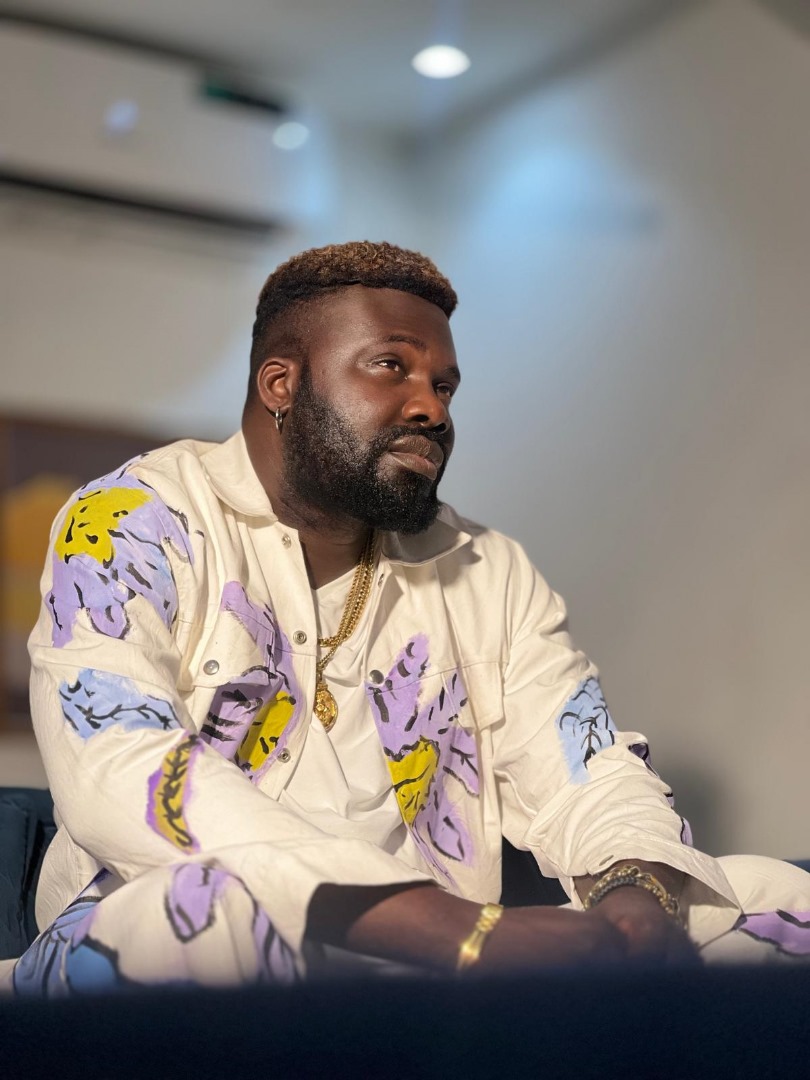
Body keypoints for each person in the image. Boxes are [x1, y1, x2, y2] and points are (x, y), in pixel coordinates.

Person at [12, 241, 810, 994]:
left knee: (778, 899)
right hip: (170, 928)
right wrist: (463, 932)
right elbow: (122, 765)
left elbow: (585, 769)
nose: (431, 407)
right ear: (281, 384)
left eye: (445, 386)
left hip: (437, 965)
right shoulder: (132, 520)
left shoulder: (487, 568)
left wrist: (634, 910)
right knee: (213, 913)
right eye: (391, 366)